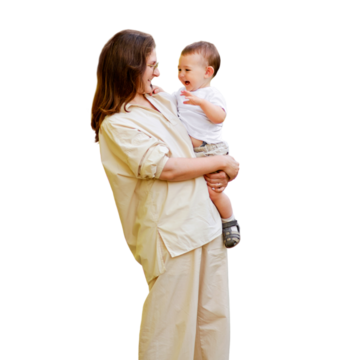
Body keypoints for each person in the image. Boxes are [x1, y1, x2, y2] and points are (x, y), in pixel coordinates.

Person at [90, 28, 240, 360]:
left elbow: (192, 142)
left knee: (211, 327)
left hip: (206, 224)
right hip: (172, 237)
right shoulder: (117, 124)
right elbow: (166, 167)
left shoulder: (160, 98)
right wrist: (225, 161)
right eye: (152, 66)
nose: (160, 74)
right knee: (170, 336)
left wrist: (224, 163)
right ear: (130, 69)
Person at [170, 39, 240, 248]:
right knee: (195, 191)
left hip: (211, 149)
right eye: (179, 69)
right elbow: (166, 101)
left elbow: (220, 117)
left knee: (213, 191)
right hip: (192, 152)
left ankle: (230, 220)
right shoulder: (179, 93)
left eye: (187, 70)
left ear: (207, 72)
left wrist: (201, 102)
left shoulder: (212, 94)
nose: (181, 74)